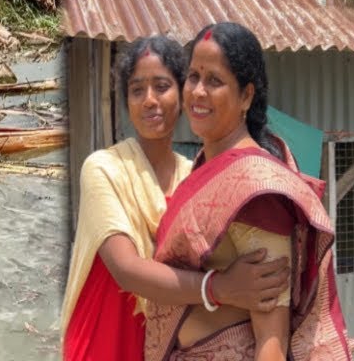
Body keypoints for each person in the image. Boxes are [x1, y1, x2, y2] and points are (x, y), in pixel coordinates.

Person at [62, 35, 291, 360]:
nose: (149, 100)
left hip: (161, 346)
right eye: (137, 90)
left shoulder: (197, 177)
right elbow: (126, 269)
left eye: (162, 86)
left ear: (182, 95)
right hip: (105, 339)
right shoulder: (103, 168)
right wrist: (220, 288)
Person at [143, 23, 354, 360]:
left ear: (246, 96)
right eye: (194, 76)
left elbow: (272, 336)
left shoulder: (256, 188)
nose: (198, 91)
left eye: (214, 81)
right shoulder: (204, 167)